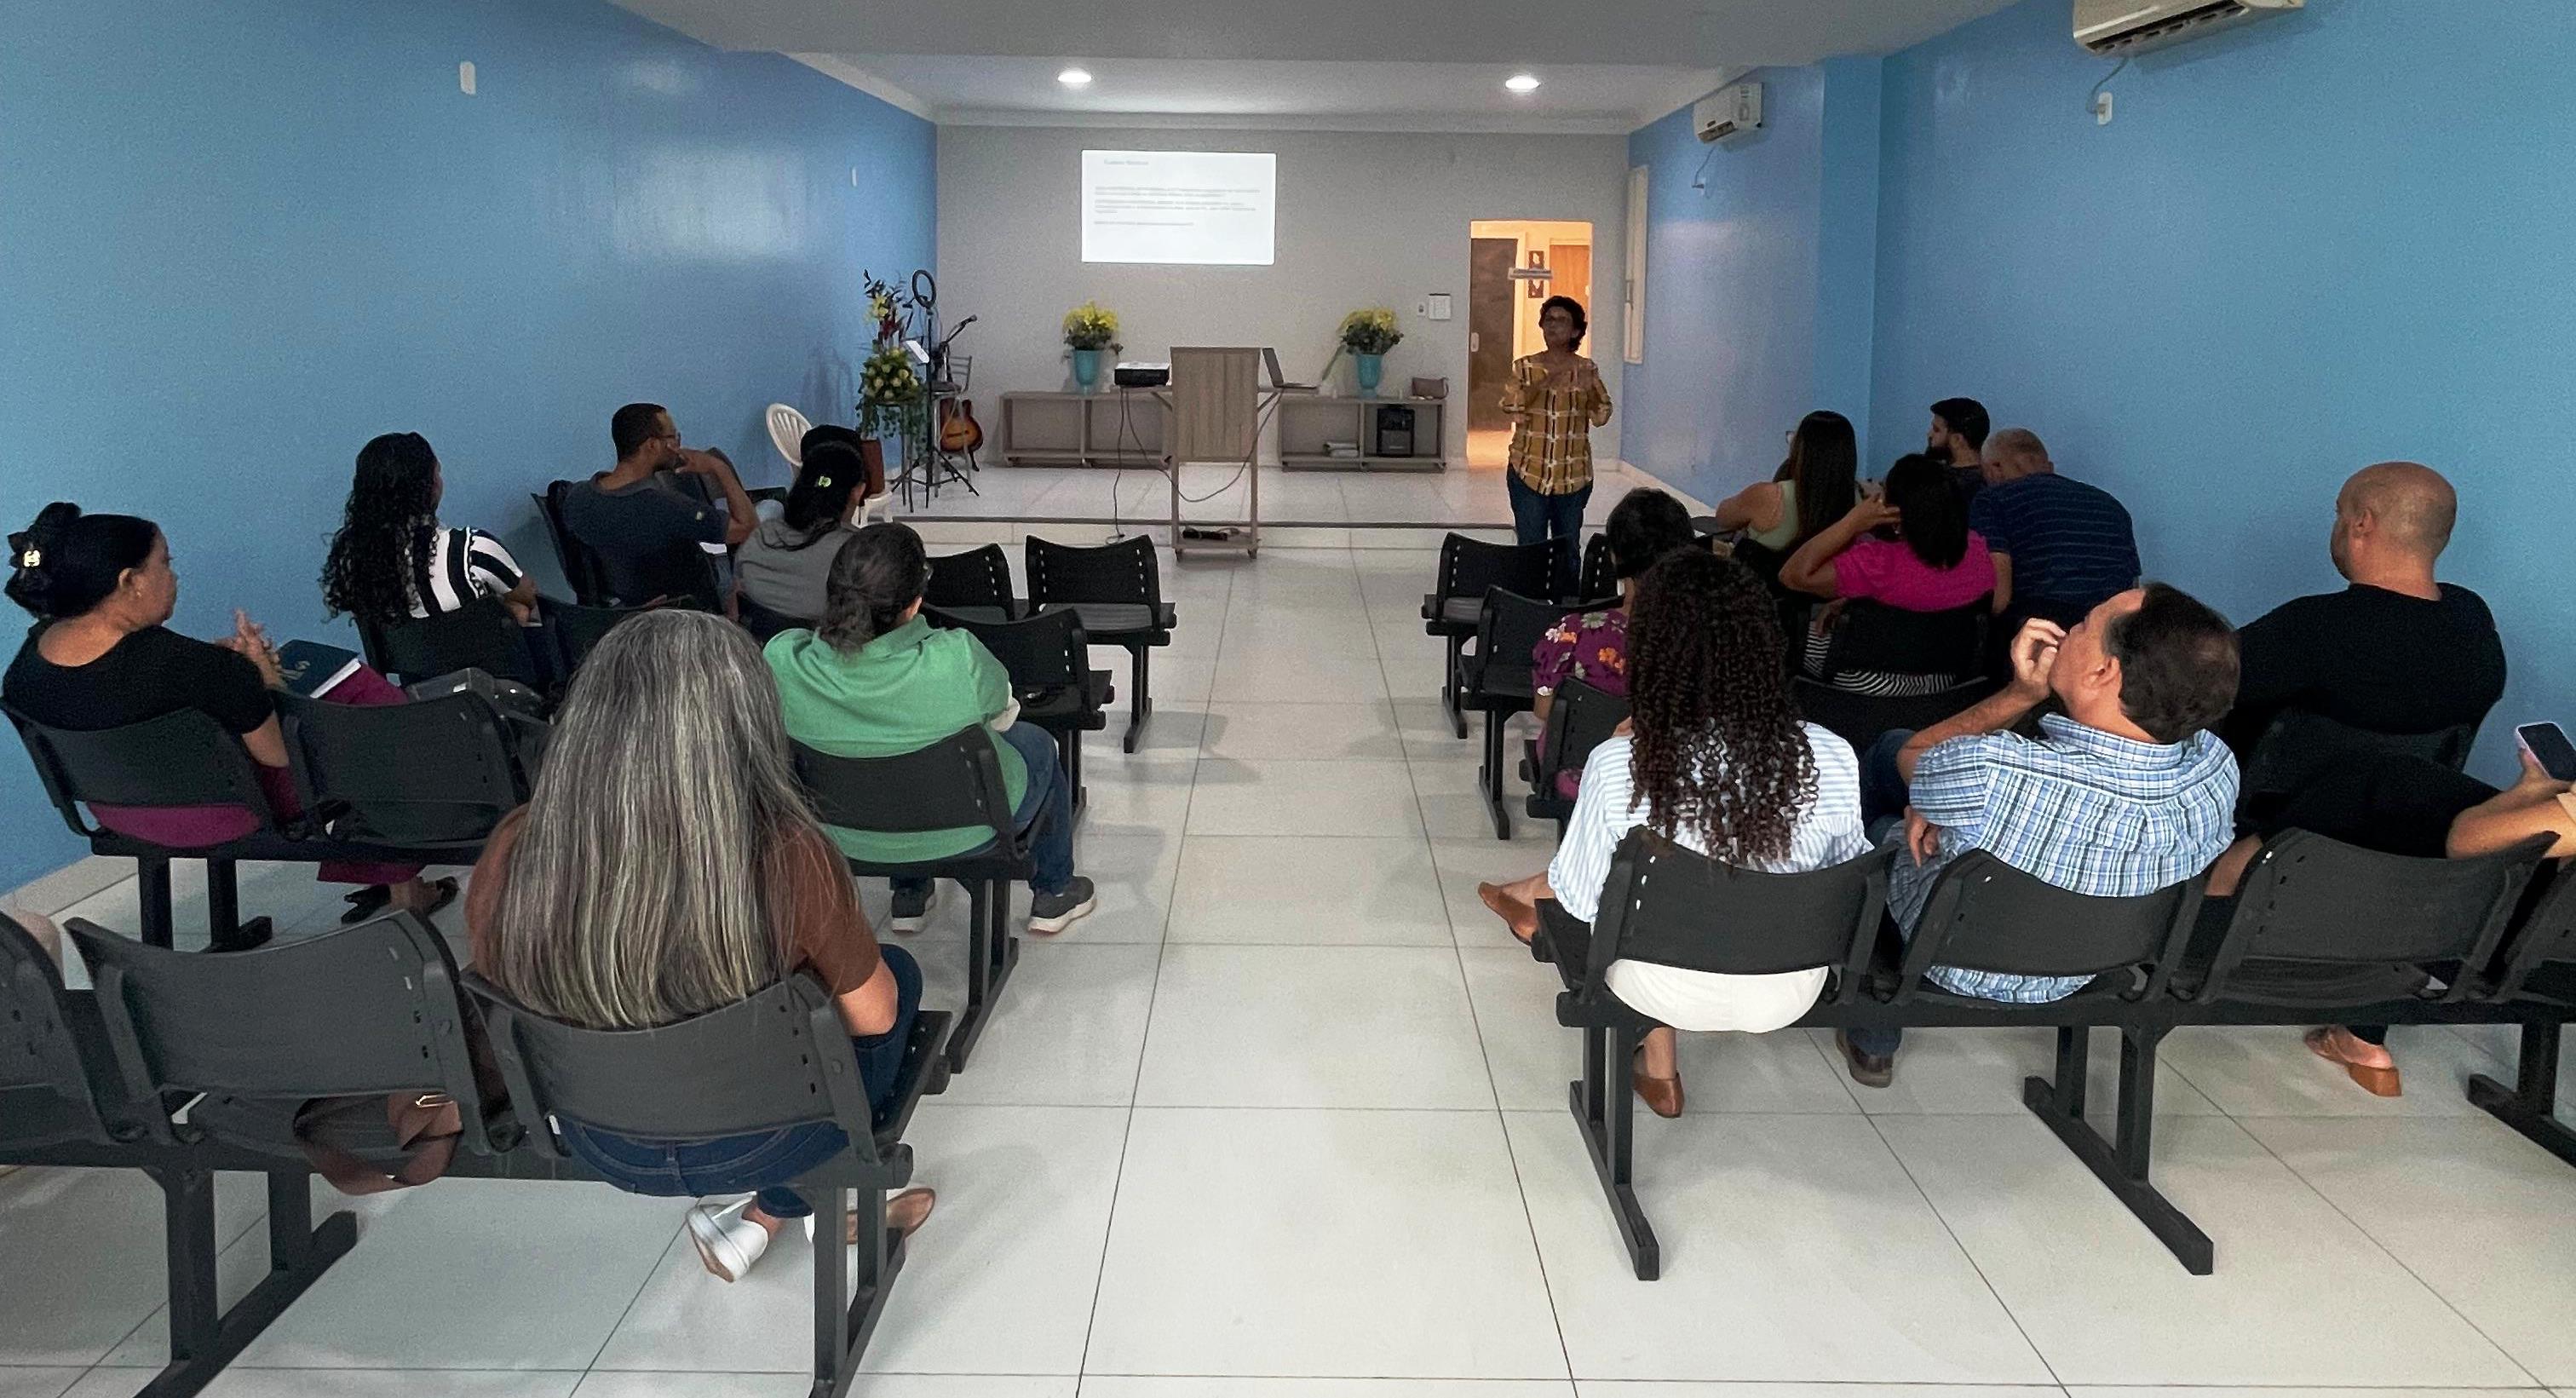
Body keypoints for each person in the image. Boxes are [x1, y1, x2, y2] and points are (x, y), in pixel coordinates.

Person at [464, 609, 933, 1282]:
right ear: (744, 726)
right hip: (765, 1139)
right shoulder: (791, 853)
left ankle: (769, 1216)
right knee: (897, 981)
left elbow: (501, 988)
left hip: (596, 1135)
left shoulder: (517, 845)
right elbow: (877, 1018)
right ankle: (794, 1199)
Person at [1477, 550, 1867, 1117]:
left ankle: (1655, 1061)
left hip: (1660, 984)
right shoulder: (1830, 755)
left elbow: (1585, 906)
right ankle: (1658, 1069)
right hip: (1789, 985)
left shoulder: (1620, 762)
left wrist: (1620, 749)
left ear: (1653, 653)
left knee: (1622, 905)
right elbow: (1845, 884)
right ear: (1764, 648)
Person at [1839, 586, 2241, 1087]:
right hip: (2089, 963)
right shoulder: (2216, 771)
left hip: (1949, 954)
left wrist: (2021, 694)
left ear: (2103, 672)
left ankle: (1875, 1034)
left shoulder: (1994, 771)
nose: (2068, 630)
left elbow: (1917, 757)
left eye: (2083, 625)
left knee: (1887, 770)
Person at [4, 503, 452, 941]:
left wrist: (231, 676)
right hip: (228, 811)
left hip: (115, 811)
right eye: (165, 563)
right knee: (367, 703)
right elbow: (279, 757)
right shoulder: (199, 668)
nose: (174, 577)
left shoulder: (26, 667)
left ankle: (396, 879)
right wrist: (265, 680)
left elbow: (131, 691)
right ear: (130, 582)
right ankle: (405, 882)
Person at [2209, 463, 2506, 1089]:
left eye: (2339, 513)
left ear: (2360, 523)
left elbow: (2198, 693)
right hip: (2407, 852)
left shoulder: (2311, 626)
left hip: (2270, 844)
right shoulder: (2473, 626)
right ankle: (2364, 1037)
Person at [769, 523, 1095, 935]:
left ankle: (909, 893)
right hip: (964, 830)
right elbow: (1003, 714)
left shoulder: (784, 659)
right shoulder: (956, 657)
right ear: (915, 602)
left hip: (839, 832)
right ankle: (1054, 890)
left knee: (879, 755)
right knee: (1036, 744)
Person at [1779, 452, 1999, 694]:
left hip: (1871, 682)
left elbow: (1792, 575)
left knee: (1782, 634)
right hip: (1945, 681)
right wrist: (1852, 600)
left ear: (1895, 513)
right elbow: (1924, 591)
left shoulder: (1876, 563)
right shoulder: (1978, 551)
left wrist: (1852, 522)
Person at [1530, 486, 1695, 742]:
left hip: (1584, 769)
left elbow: (1543, 709)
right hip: (1673, 773)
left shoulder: (1574, 632)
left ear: (1614, 556)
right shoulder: (1704, 634)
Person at [321, 431, 539, 625]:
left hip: (415, 670)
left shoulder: (358, 562)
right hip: (485, 666)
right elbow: (528, 595)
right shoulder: (471, 551)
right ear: (430, 486)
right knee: (520, 611)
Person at [561, 402, 756, 607]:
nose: (678, 446)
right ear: (652, 445)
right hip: (685, 611)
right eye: (673, 438)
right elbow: (747, 528)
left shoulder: (578, 496)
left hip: (622, 610)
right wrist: (719, 468)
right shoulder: (665, 506)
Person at [1498, 295, 1614, 600]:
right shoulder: (1525, 367)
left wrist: (1588, 389)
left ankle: (1566, 618)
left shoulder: (1587, 369)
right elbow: (1511, 406)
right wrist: (1544, 382)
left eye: (1561, 320)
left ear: (1576, 331)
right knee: (1531, 548)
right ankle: (1529, 610)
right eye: (1548, 319)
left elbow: (1602, 414)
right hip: (1528, 471)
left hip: (1572, 475)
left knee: (1568, 550)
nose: (1553, 325)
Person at [1970, 429, 2141, 628]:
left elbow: (1999, 596)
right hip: (2108, 633)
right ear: (2049, 467)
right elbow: (2132, 591)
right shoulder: (2111, 505)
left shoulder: (1993, 500)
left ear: (1994, 469)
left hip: (2036, 629)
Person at [733, 439, 869, 622]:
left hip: (759, 645)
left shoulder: (762, 536)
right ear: (858, 491)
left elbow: (736, 594)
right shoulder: (859, 552)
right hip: (825, 648)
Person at [1710, 410, 1862, 558]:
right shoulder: (1860, 504)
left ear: (1801, 450)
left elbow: (1723, 516)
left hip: (1759, 581)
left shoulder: (1770, 496)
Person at [1929, 397, 1991, 502]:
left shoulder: (1938, 485)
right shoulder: (1994, 479)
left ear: (1957, 439)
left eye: (1936, 430)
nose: (1930, 435)